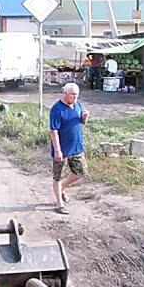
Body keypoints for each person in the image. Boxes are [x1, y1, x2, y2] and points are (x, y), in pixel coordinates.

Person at [49, 82, 89, 214]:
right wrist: (57, 150)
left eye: (77, 94)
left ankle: (62, 189)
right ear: (65, 93)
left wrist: (85, 118)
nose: (75, 97)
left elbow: (81, 122)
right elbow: (54, 131)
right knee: (58, 176)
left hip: (77, 147)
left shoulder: (77, 105)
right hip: (62, 148)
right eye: (72, 94)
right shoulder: (57, 109)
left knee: (81, 171)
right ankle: (59, 204)